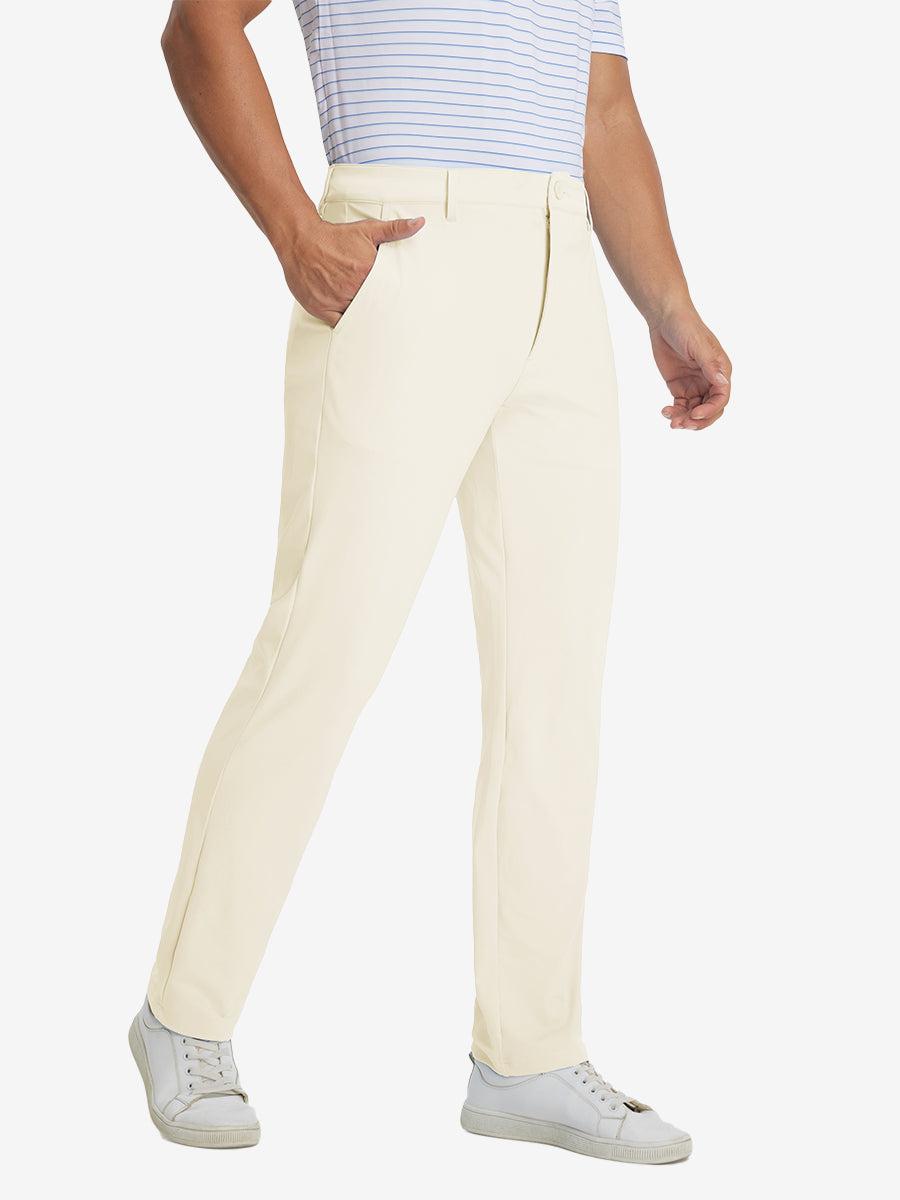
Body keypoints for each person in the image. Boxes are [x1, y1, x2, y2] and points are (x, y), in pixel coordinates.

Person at [129, 0, 731, 1161]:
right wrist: (293, 230)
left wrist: (669, 304)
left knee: (555, 684)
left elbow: (603, 109)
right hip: (403, 250)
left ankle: (529, 1053)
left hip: (561, 275)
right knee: (324, 651)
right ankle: (183, 1015)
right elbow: (199, 23)